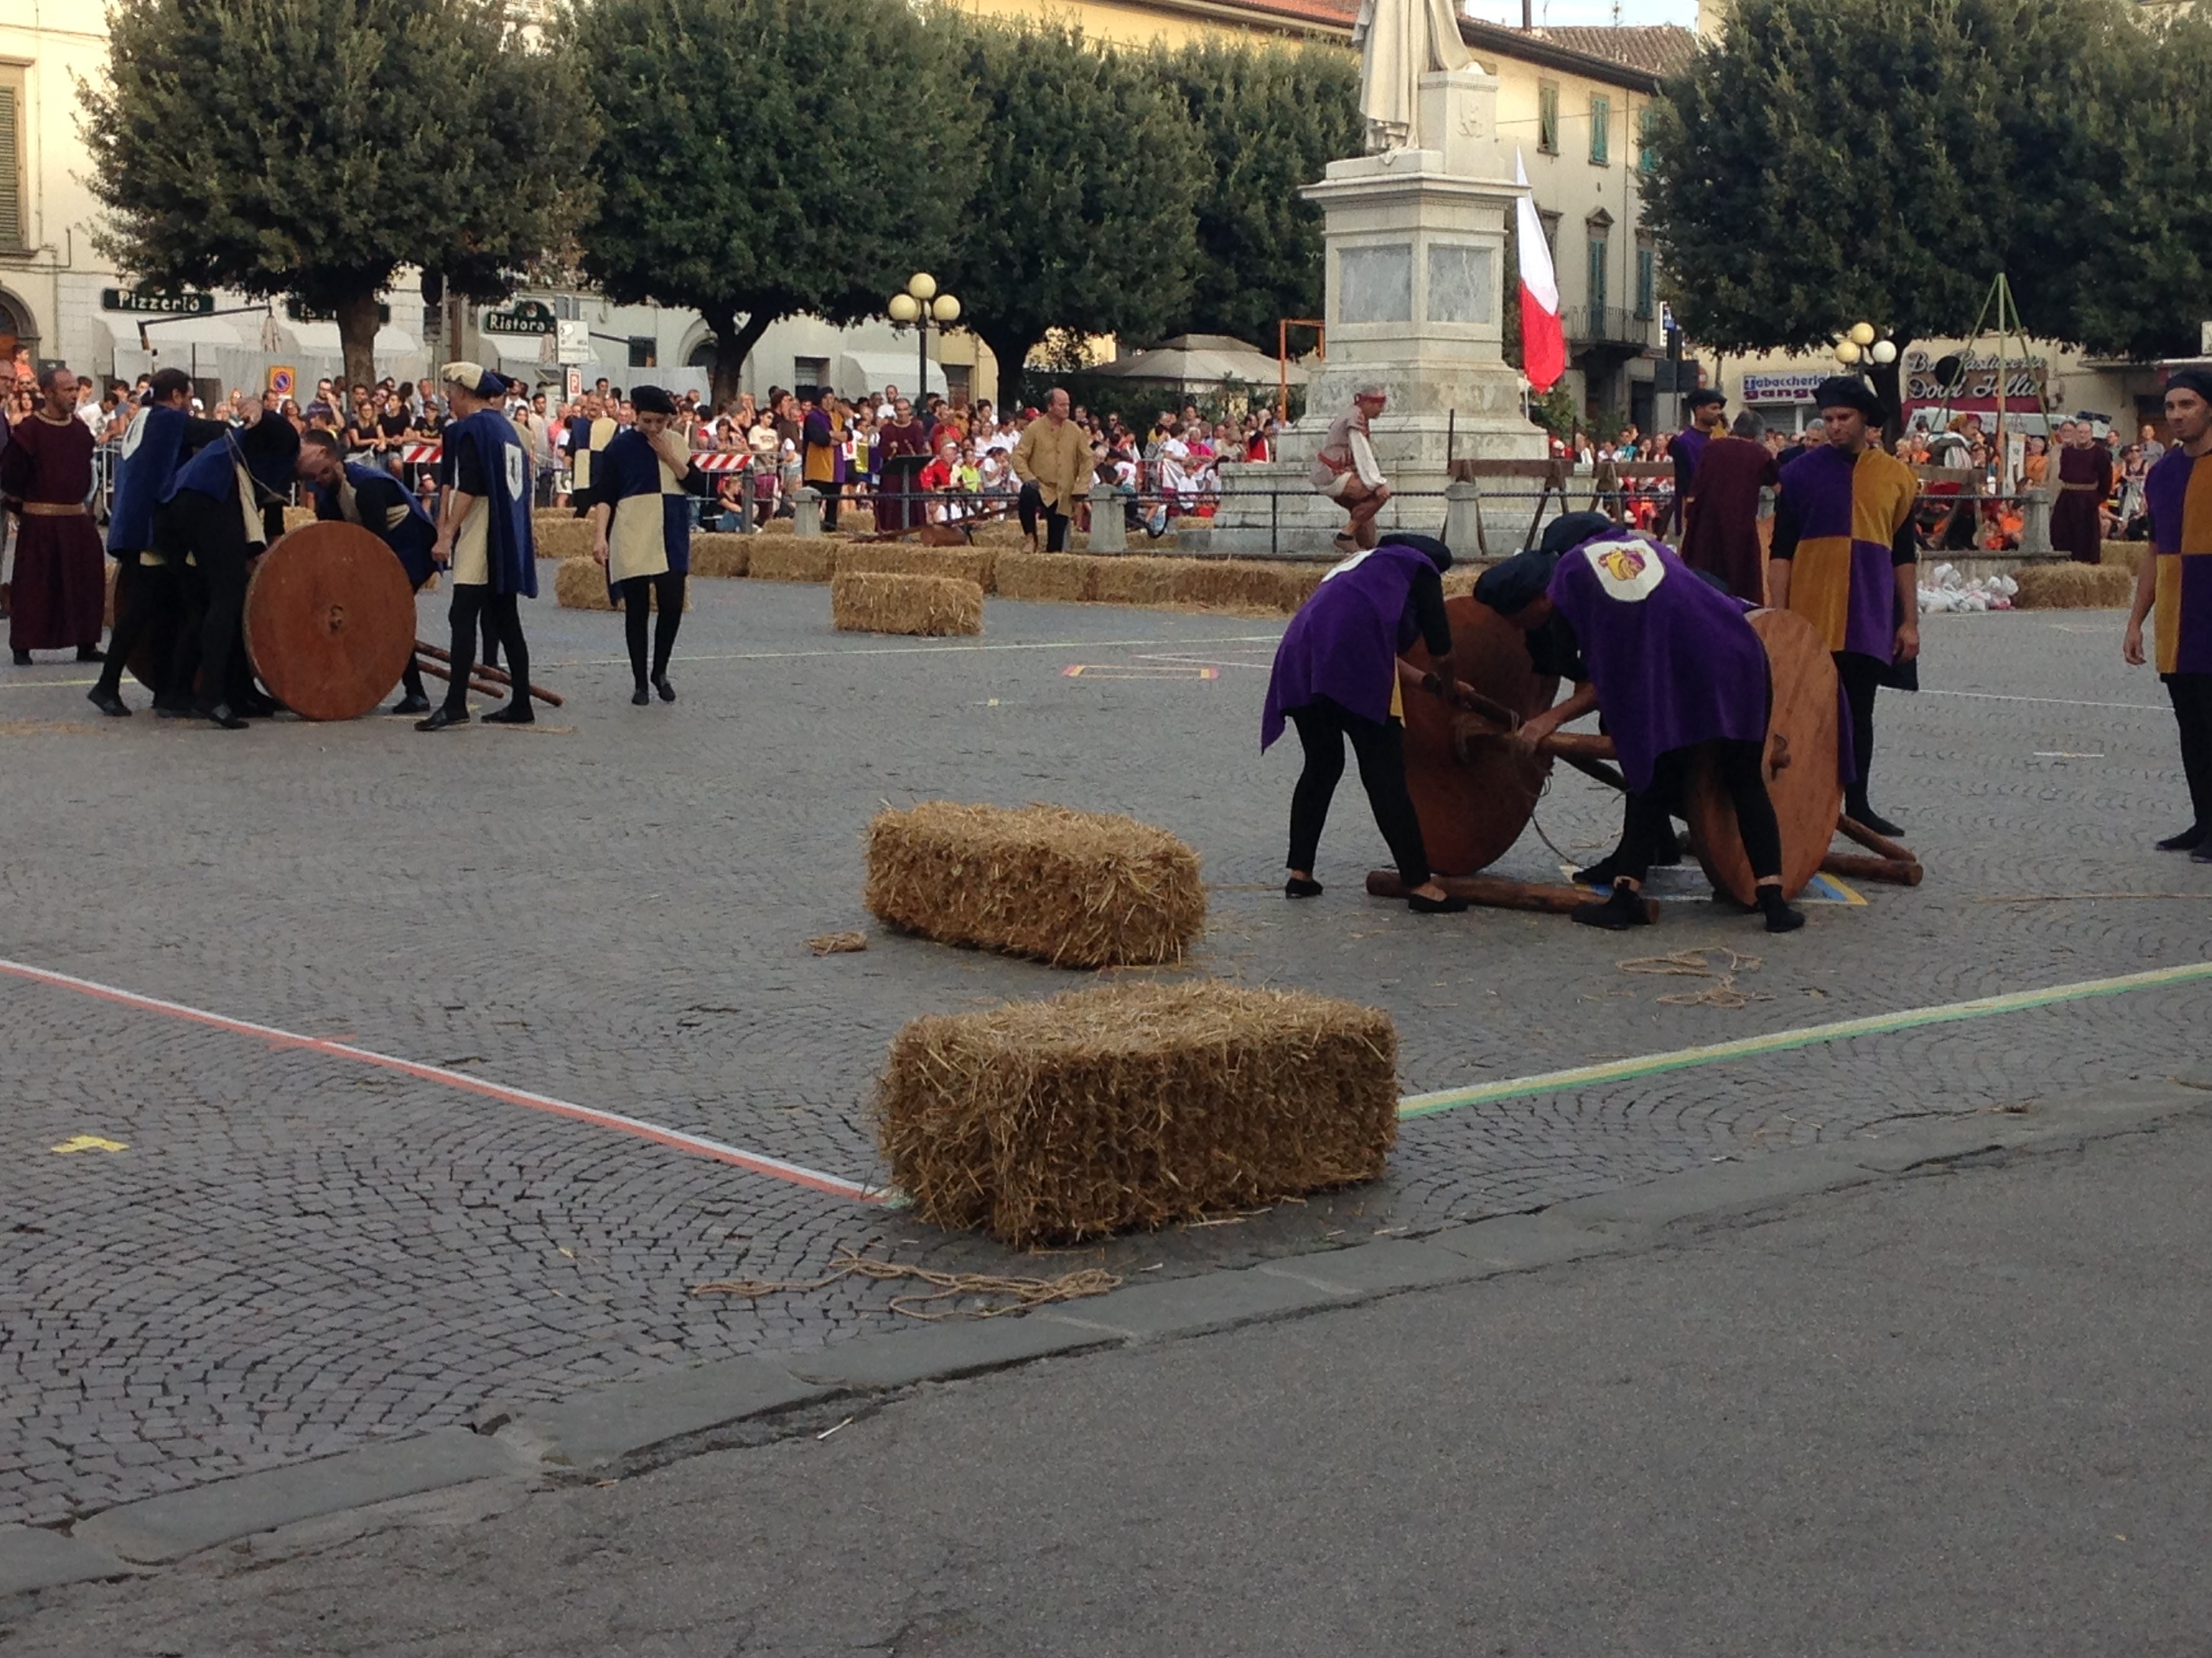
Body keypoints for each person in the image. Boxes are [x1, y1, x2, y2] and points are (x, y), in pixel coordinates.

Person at [1477, 523, 1805, 933]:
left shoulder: (1584, 595)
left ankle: (1625, 899)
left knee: (1648, 769)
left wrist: (1549, 719)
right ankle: (1774, 903)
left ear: (1541, 599)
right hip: (1740, 651)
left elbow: (1608, 682)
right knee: (1742, 777)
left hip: (1698, 662)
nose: (1519, 630)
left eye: (1519, 620)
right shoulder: (1603, 552)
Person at [1260, 533, 1469, 914]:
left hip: (1301, 660)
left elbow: (1370, 642)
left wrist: (1428, 684)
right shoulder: (1419, 568)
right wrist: (1451, 685)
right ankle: (1420, 883)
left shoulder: (1357, 568)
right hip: (1350, 668)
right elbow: (1443, 649)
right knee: (1383, 772)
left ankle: (1300, 874)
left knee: (1322, 766)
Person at [1769, 376, 1920, 837]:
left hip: (1868, 614)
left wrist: (1910, 621)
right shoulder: (1797, 475)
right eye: (1829, 419)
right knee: (1808, 715)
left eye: (1843, 418)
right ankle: (1803, 802)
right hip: (1812, 612)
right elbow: (1782, 551)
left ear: (1866, 422)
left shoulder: (1898, 478)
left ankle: (1858, 805)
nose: (1834, 427)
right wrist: (1780, 616)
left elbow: (1903, 555)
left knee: (1859, 712)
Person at [162, 386, 299, 728]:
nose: (319, 476)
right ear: (316, 449)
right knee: (226, 597)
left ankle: (188, 693)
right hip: (211, 496)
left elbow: (272, 515)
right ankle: (212, 697)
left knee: (203, 603)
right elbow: (270, 424)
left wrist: (262, 553)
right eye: (323, 464)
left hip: (182, 498)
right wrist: (257, 410)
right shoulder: (288, 445)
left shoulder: (274, 469)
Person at [2123, 369, 2212, 857]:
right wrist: (2136, 620)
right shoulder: (2163, 474)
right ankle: (2203, 821)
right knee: (2192, 728)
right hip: (2179, 619)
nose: (2176, 415)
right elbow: (2155, 549)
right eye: (2171, 406)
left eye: (2188, 405)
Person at [419, 362, 536, 731]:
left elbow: (469, 484)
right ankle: (520, 702)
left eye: (451, 391)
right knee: (506, 618)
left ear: (465, 393)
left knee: (462, 615)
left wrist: (446, 533)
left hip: (482, 525)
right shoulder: (507, 428)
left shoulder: (471, 428)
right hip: (506, 527)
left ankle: (456, 704)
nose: (448, 398)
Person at [295, 427, 439, 715]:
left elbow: (376, 549)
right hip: (382, 549)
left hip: (411, 550)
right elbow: (333, 544)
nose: (319, 481)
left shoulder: (368, 487)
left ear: (328, 455)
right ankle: (359, 683)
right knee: (376, 614)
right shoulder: (328, 498)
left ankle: (416, 693)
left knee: (391, 616)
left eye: (323, 473)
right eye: (314, 478)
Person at [589, 383, 693, 706]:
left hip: (671, 531)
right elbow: (605, 495)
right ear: (635, 414)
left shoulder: (677, 443)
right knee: (636, 610)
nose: (653, 428)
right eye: (647, 421)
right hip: (633, 531)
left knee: (672, 604)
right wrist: (600, 537)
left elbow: (697, 483)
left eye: (659, 422)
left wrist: (670, 457)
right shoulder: (619, 448)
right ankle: (639, 682)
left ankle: (659, 671)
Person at [2, 366, 107, 666]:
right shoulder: (29, 431)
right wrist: (24, 506)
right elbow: (11, 475)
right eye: (67, 390)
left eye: (75, 390)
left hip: (76, 518)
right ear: (48, 392)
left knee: (84, 580)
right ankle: (24, 643)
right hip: (40, 520)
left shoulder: (78, 431)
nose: (74, 396)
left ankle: (86, 642)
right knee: (35, 584)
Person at [1678, 408, 1780, 601]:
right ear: (1758, 434)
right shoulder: (1758, 453)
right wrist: (1773, 458)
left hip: (1704, 526)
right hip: (1738, 528)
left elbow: (1696, 484)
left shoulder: (1711, 447)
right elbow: (1779, 487)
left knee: (1704, 579)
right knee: (1740, 585)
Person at [1311, 385, 1391, 552]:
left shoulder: (1354, 414)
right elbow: (1362, 453)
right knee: (1380, 494)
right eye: (1379, 405)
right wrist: (1375, 482)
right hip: (1332, 474)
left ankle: (1364, 552)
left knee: (1365, 512)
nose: (1381, 410)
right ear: (1368, 402)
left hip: (1332, 472)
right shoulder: (1355, 417)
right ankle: (1345, 535)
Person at [1011, 387, 1090, 552]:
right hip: (1040, 485)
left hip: (1063, 492)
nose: (1067, 409)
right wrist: (1028, 477)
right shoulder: (1034, 428)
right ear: (1050, 406)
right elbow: (1018, 456)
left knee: (1055, 545)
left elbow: (1087, 459)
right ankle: (1030, 537)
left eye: (1068, 405)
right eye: (1062, 405)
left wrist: (1081, 486)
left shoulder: (1076, 431)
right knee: (1027, 493)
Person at [1664, 387, 1728, 537]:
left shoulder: (1722, 437)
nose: (1718, 413)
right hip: (1697, 511)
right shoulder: (1684, 442)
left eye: (1719, 409)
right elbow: (1686, 483)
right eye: (1714, 408)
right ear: (1699, 410)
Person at [2052, 416, 2115, 565]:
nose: (2082, 435)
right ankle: (2062, 559)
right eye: (2080, 432)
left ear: (2091, 434)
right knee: (2060, 530)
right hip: (2067, 497)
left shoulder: (2100, 453)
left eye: (2086, 432)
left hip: (2087, 499)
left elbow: (2106, 478)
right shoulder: (2067, 452)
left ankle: (2086, 563)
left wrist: (2098, 498)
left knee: (2086, 534)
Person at [802, 393, 846, 531]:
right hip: (818, 468)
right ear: (820, 400)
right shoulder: (812, 418)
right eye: (826, 398)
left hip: (836, 467)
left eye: (832, 398)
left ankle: (830, 529)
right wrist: (833, 436)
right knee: (815, 503)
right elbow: (819, 438)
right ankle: (810, 531)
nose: (829, 401)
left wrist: (832, 434)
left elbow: (847, 434)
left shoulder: (838, 417)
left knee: (833, 504)